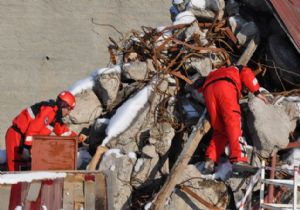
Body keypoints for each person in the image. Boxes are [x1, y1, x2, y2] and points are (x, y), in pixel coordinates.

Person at [198, 65, 269, 173]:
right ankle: (239, 159)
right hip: (225, 87)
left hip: (208, 91)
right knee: (233, 122)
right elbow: (247, 73)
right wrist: (257, 92)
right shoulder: (238, 68)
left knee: (220, 130)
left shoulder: (217, 72)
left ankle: (210, 160)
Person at [5, 91, 86, 171]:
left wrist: (77, 139)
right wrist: (27, 147)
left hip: (24, 141)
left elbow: (63, 132)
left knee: (23, 171)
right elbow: (33, 129)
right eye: (69, 109)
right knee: (14, 171)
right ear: (63, 105)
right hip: (16, 137)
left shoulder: (55, 117)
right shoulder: (49, 110)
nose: (68, 113)